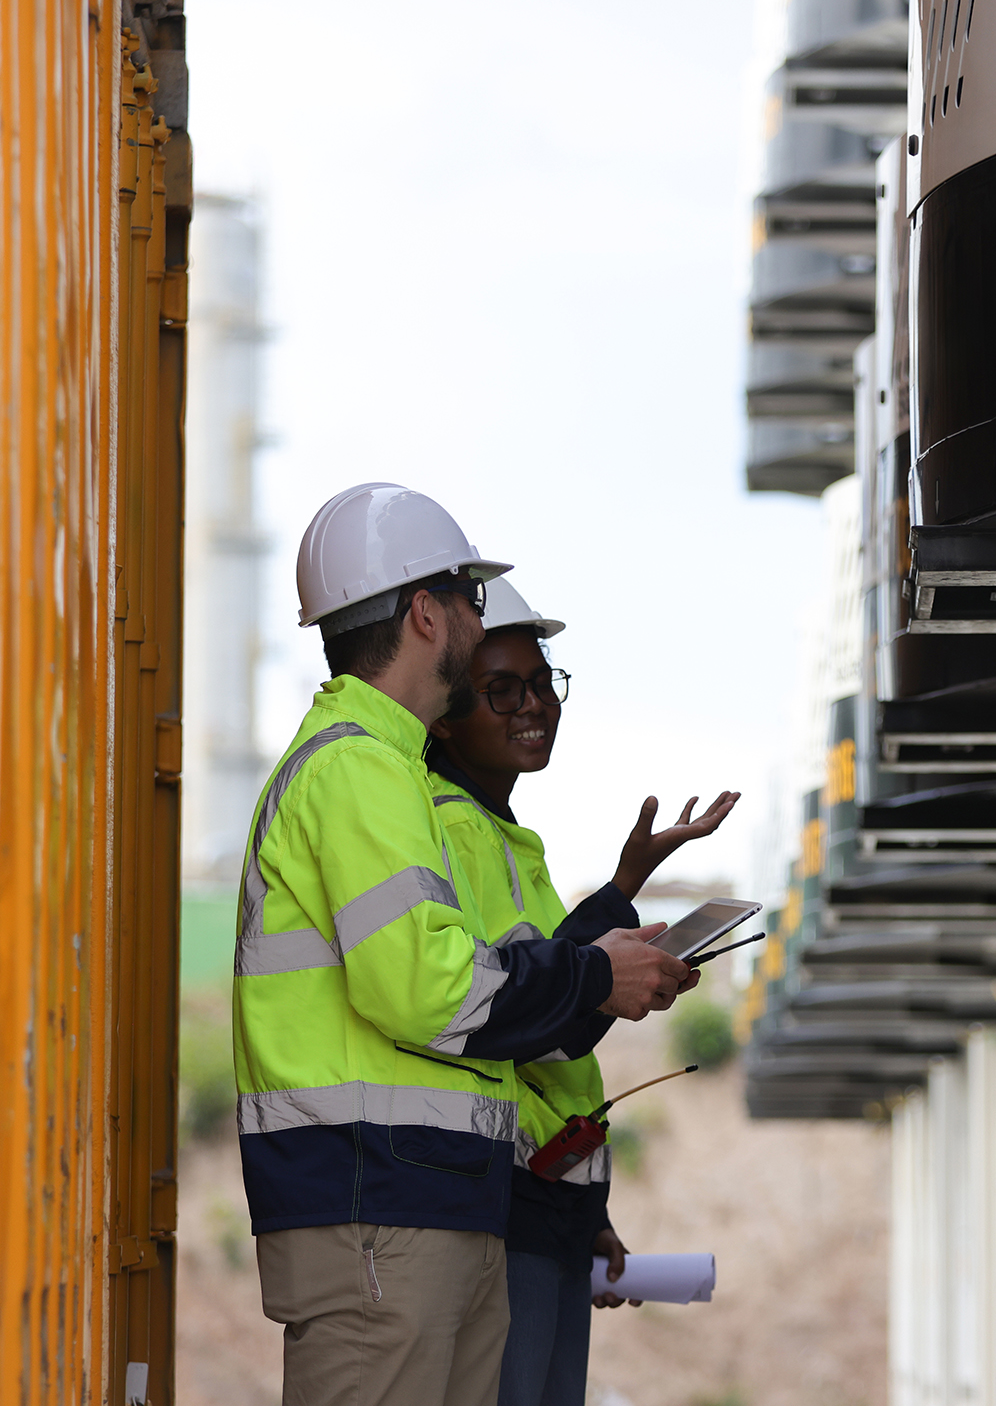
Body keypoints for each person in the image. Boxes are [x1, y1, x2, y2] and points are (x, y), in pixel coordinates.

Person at [234, 484, 696, 1406]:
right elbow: (428, 989)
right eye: (471, 602)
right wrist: (598, 971)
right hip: (377, 1206)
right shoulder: (359, 769)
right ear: (424, 612)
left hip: (422, 1203)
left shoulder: (384, 769)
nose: (481, 626)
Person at [425, 576, 738, 1406]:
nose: (533, 704)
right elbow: (507, 1011)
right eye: (502, 690)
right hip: (506, 1200)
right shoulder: (449, 828)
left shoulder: (503, 835)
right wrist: (603, 974)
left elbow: (548, 1007)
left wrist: (624, 901)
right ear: (446, 712)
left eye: (542, 683)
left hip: (550, 1202)